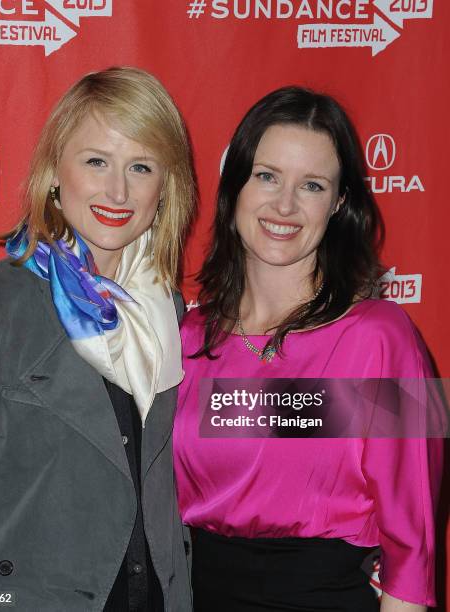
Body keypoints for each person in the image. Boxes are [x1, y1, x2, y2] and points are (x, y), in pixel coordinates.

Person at [173, 87, 443, 611]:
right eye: (267, 176)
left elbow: (415, 549)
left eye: (312, 185)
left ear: (340, 203)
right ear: (236, 186)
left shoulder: (384, 339)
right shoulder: (187, 338)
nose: (285, 205)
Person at [0, 66, 195, 612]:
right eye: (96, 161)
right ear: (55, 172)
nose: (117, 190)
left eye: (141, 166)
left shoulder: (166, 312)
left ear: (164, 186)